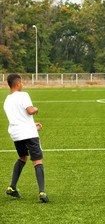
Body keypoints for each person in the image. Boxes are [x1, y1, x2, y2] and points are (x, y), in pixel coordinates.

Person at [3, 73, 49, 202]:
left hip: (16, 134)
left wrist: (32, 125)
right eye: (22, 82)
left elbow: (18, 118)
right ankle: (42, 192)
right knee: (37, 160)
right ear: (17, 83)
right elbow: (29, 110)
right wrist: (36, 109)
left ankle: (12, 187)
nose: (22, 85)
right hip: (29, 134)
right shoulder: (24, 95)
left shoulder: (7, 100)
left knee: (22, 157)